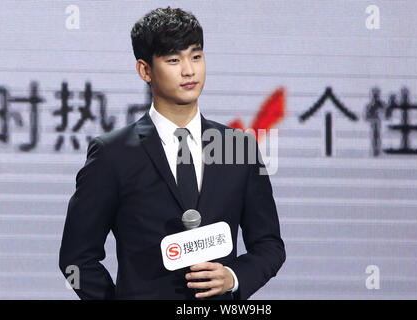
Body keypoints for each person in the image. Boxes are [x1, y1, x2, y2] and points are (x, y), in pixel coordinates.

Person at [59, 6, 285, 300]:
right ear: (145, 70)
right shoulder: (112, 155)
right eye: (174, 60)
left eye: (196, 56)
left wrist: (233, 277)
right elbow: (77, 258)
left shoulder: (238, 149)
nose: (189, 70)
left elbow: (269, 246)